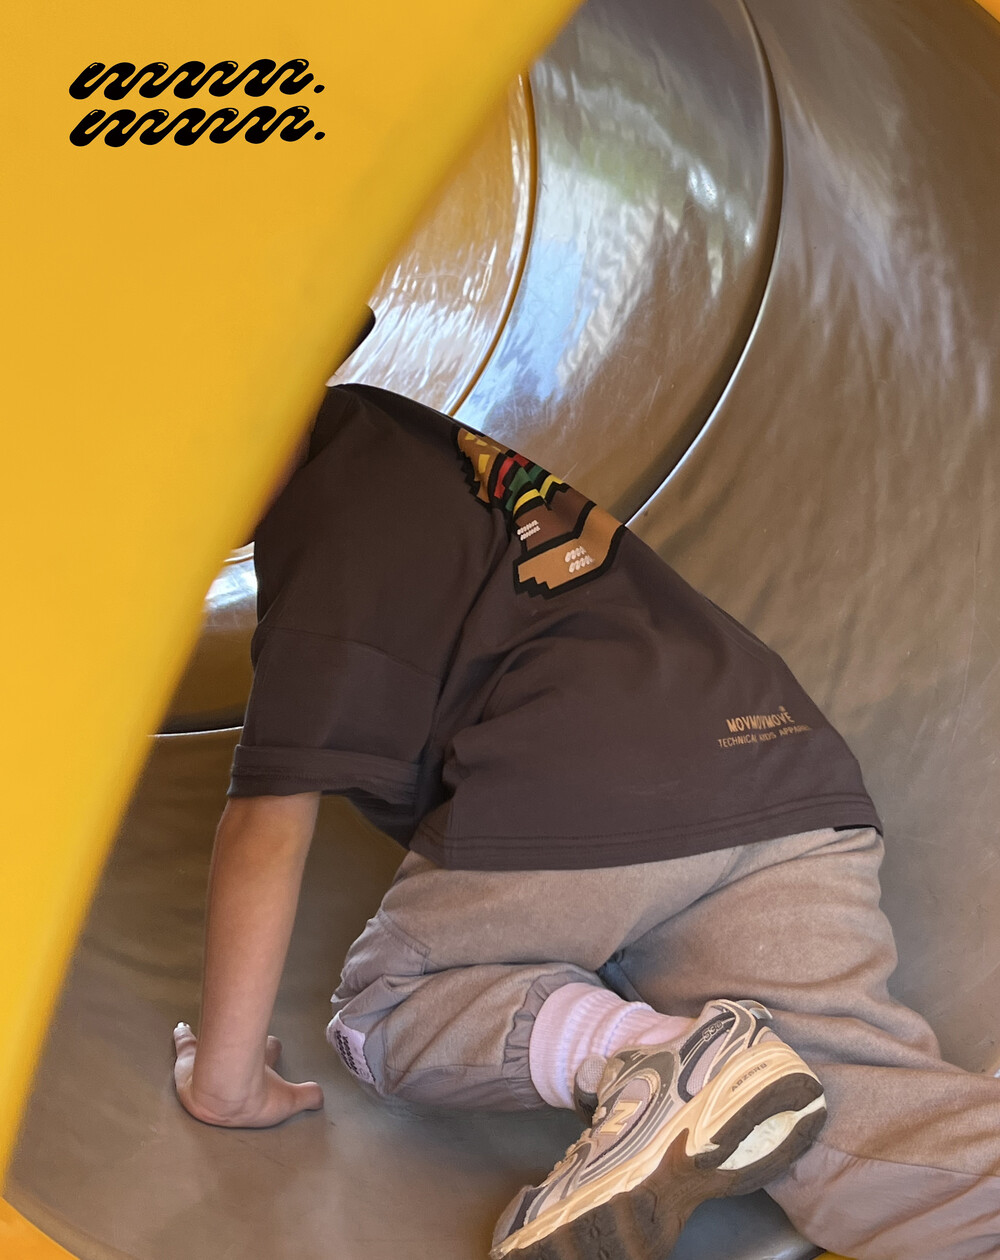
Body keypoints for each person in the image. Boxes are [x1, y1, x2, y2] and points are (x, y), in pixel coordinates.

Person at [172, 329, 1000, 1259]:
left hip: (593, 787)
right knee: (848, 1123)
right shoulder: (396, 433)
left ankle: (653, 1061)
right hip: (781, 771)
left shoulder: (326, 546)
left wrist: (226, 1083)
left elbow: (266, 827)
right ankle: (757, 1087)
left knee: (389, 1012)